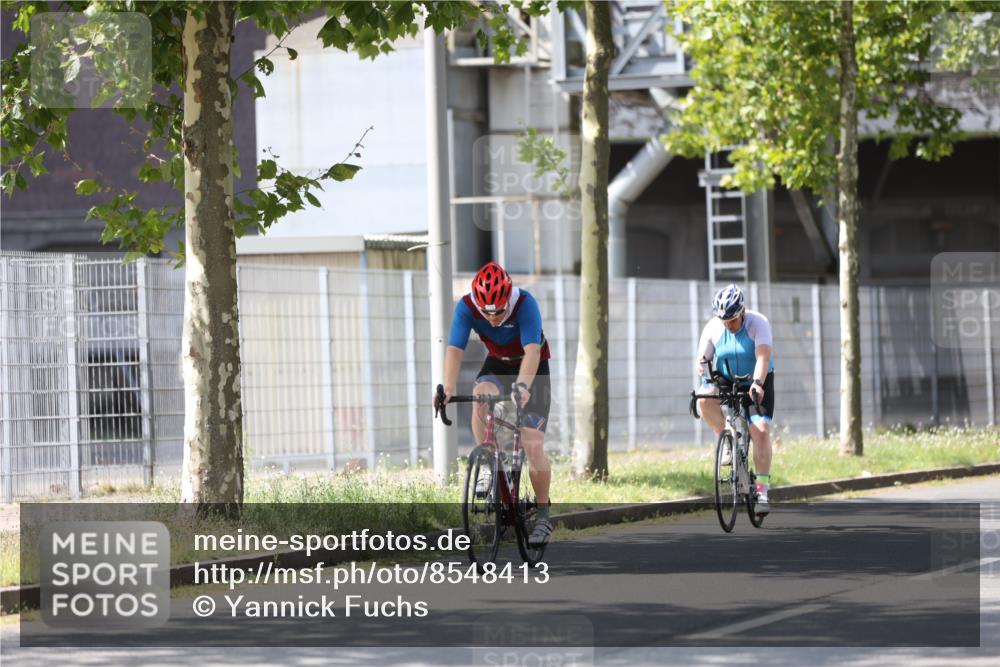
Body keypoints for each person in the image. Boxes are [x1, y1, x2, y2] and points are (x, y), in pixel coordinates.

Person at [440, 261, 554, 546]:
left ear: (508, 298)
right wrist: (448, 388)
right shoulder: (466, 307)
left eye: (499, 312)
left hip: (532, 368)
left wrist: (523, 387)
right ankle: (490, 462)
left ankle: (542, 516)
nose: (492, 318)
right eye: (486, 312)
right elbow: (455, 350)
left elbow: (531, 352)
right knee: (482, 395)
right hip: (497, 365)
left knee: (532, 444)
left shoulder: (525, 304)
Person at [695, 283, 776, 515]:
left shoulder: (758, 323)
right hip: (727, 379)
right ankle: (725, 439)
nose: (729, 325)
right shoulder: (714, 327)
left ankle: (761, 491)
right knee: (703, 399)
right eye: (724, 321)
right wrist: (702, 367)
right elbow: (702, 359)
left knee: (759, 430)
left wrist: (758, 384)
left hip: (757, 379)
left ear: (742, 312)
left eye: (732, 320)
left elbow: (762, 357)